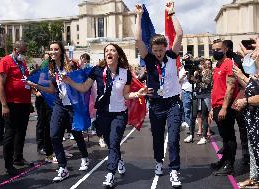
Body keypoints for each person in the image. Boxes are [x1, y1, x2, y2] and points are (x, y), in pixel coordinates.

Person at [62, 43, 150, 187]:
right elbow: (84, 88)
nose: (109, 52)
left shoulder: (125, 73)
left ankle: (110, 174)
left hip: (119, 114)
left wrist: (137, 94)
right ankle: (118, 160)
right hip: (102, 114)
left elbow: (126, 94)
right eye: (107, 50)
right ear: (105, 55)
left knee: (114, 142)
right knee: (110, 143)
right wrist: (69, 81)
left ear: (118, 55)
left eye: (112, 50)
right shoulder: (97, 71)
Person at [135, 1, 183, 187]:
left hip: (172, 103)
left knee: (173, 138)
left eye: (161, 50)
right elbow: (138, 40)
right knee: (157, 137)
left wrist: (172, 14)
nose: (158, 54)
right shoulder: (148, 59)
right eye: (155, 51)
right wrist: (139, 16)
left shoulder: (171, 56)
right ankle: (158, 162)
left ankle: (174, 170)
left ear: (166, 48)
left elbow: (179, 34)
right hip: (155, 104)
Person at [27, 41, 89, 182]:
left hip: (72, 105)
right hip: (59, 104)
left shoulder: (71, 66)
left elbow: (80, 82)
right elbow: (51, 90)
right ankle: (63, 167)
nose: (53, 51)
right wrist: (36, 85)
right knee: (54, 135)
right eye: (51, 49)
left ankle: (85, 156)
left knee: (76, 133)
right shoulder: (50, 68)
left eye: (56, 49)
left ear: (61, 51)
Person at [0, 41, 32, 175]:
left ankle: (18, 157)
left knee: (21, 131)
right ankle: (8, 163)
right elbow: (0, 84)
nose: (23, 54)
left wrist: (29, 102)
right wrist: (4, 105)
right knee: (10, 133)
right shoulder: (5, 61)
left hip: (24, 103)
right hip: (11, 103)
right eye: (22, 51)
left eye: (25, 52)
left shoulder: (22, 63)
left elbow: (25, 80)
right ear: (15, 49)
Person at [233, 37, 259, 188]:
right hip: (252, 118)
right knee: (253, 148)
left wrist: (246, 101)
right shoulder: (255, 73)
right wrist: (241, 76)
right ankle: (254, 178)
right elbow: (251, 87)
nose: (253, 53)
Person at [209, 39, 238, 176]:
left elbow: (231, 87)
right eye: (214, 49)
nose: (216, 52)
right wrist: (211, 108)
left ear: (225, 49)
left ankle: (230, 165)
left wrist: (224, 108)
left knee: (229, 136)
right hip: (216, 106)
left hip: (224, 107)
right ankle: (224, 160)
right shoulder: (217, 66)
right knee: (224, 137)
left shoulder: (229, 63)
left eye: (219, 49)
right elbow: (215, 88)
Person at [223, 40, 249, 164]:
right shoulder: (226, 59)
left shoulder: (235, 60)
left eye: (220, 48)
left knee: (241, 124)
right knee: (228, 124)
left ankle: (245, 153)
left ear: (226, 48)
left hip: (238, 94)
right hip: (231, 95)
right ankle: (228, 148)